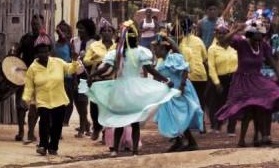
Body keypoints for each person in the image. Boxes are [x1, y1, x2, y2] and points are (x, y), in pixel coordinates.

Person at [86, 21, 177, 156]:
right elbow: (150, 69)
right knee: (134, 122)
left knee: (120, 120)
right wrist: (165, 80)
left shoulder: (117, 53)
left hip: (120, 89)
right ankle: (134, 151)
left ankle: (115, 150)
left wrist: (92, 76)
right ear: (135, 38)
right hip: (135, 90)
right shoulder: (139, 52)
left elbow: (105, 68)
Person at [215, 20, 279, 147]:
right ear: (249, 36)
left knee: (261, 106)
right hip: (243, 81)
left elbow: (271, 61)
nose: (258, 41)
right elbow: (223, 41)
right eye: (255, 39)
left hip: (257, 80)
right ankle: (241, 139)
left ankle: (258, 136)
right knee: (248, 110)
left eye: (260, 38)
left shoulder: (263, 45)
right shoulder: (241, 43)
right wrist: (235, 30)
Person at [23, 30, 79, 156]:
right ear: (37, 53)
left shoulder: (58, 62)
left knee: (57, 124)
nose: (43, 54)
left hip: (59, 99)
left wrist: (75, 60)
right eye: (40, 51)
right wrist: (26, 99)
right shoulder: (33, 68)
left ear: (49, 51)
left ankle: (53, 147)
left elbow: (70, 69)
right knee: (44, 122)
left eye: (46, 51)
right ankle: (43, 145)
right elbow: (29, 85)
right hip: (43, 101)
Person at [153, 37, 204, 152]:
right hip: (168, 94)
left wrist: (181, 86)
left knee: (180, 117)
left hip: (179, 91)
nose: (154, 52)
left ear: (163, 49)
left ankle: (188, 142)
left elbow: (185, 70)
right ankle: (181, 141)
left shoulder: (173, 57)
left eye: (156, 49)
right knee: (173, 117)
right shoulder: (161, 62)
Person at [13, 15, 42, 143]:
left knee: (35, 106)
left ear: (42, 24)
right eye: (33, 24)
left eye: (37, 24)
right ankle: (20, 130)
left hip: (38, 76)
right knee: (21, 104)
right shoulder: (25, 38)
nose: (35, 26)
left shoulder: (45, 39)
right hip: (24, 75)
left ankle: (30, 131)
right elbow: (17, 54)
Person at [205, 23, 238, 134]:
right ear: (216, 34)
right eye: (219, 33)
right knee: (218, 104)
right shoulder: (212, 49)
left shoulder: (234, 48)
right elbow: (211, 67)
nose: (222, 35)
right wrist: (217, 83)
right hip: (219, 79)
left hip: (233, 79)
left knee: (233, 103)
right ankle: (217, 126)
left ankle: (231, 128)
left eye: (224, 33)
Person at [72, 18, 98, 139]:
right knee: (77, 101)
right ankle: (86, 123)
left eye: (82, 28)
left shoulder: (94, 43)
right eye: (79, 28)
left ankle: (82, 127)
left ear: (88, 29)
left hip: (87, 75)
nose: (79, 31)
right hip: (76, 73)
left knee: (83, 101)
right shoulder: (75, 41)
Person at [179, 24, 208, 120]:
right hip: (200, 75)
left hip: (187, 77)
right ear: (192, 29)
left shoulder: (179, 43)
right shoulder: (199, 40)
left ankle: (189, 122)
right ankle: (201, 122)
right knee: (200, 100)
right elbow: (204, 58)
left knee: (187, 100)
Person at [52, 21, 75, 127]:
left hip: (68, 77)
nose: (62, 33)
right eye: (60, 31)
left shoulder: (69, 45)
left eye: (64, 31)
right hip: (56, 76)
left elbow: (73, 60)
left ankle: (66, 120)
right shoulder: (54, 45)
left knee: (68, 99)